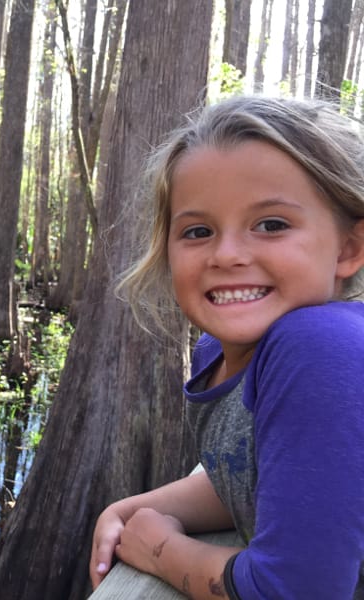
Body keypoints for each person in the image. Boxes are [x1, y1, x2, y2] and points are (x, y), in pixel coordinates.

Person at [89, 95, 364, 599]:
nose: (228, 254)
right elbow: (255, 472)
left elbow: (296, 591)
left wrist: (160, 549)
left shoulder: (320, 348)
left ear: (348, 249)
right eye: (198, 231)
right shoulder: (216, 349)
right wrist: (131, 509)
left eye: (272, 224)